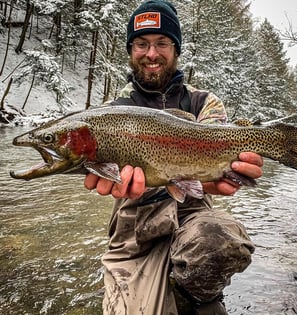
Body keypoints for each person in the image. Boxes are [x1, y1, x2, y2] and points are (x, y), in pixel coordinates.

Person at [84, 1, 264, 314]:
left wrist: (221, 176)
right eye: (141, 43)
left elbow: (217, 148)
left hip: (192, 214)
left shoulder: (204, 102)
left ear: (176, 48)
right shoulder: (113, 110)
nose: (151, 54)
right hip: (134, 226)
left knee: (219, 242)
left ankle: (192, 292)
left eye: (162, 43)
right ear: (131, 50)